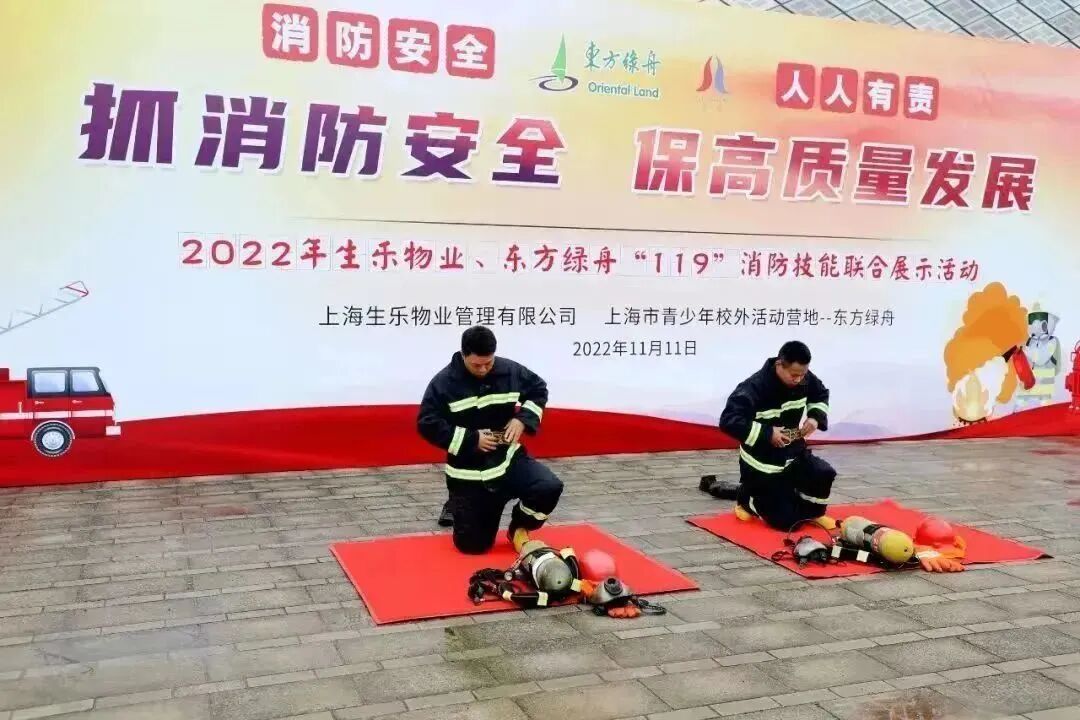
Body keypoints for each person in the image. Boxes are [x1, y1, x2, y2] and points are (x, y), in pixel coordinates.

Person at [417, 326, 563, 554]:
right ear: (463, 355)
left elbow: (538, 389)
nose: (484, 369)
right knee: (473, 547)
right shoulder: (444, 383)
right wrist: (471, 440)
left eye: (489, 363)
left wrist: (522, 419)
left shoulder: (510, 371)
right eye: (477, 365)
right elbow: (427, 423)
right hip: (469, 473)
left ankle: (518, 526)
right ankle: (458, 503)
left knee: (549, 487)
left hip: (508, 460)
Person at [702, 340, 837, 531]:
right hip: (763, 463)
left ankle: (813, 513)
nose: (799, 379)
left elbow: (820, 394)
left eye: (803, 374)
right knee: (787, 523)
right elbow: (728, 420)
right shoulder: (753, 387)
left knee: (824, 473)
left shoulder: (804, 378)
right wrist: (767, 433)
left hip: (794, 453)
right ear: (779, 364)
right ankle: (748, 500)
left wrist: (815, 417)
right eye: (794, 375)